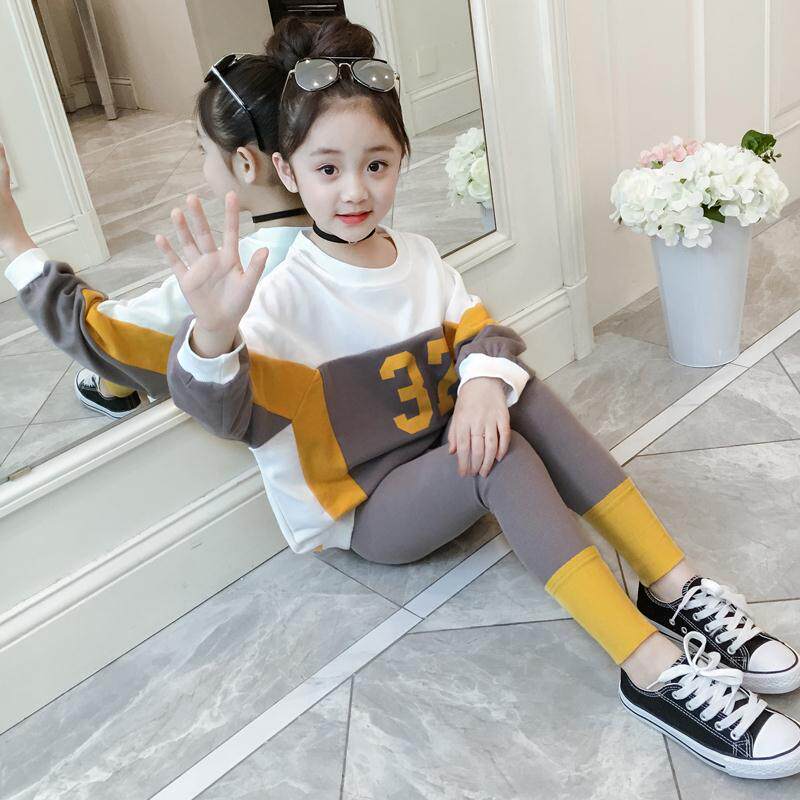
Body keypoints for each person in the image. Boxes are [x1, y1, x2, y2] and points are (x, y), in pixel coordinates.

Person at [160, 16, 800, 781]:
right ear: (286, 171)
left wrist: (484, 383)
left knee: (512, 393)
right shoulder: (282, 294)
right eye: (327, 168)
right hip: (371, 510)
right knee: (498, 457)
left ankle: (674, 586)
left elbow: (483, 331)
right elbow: (228, 416)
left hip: (439, 454)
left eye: (376, 163)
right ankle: (652, 668)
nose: (355, 190)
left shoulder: (418, 257)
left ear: (402, 161)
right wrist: (213, 333)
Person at [0, 36, 331, 414]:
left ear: (245, 164)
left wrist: (13, 237)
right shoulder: (352, 237)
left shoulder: (242, 272)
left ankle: (112, 388)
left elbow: (105, 337)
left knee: (147, 354)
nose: (202, 163)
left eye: (203, 150)